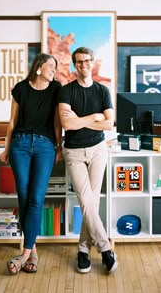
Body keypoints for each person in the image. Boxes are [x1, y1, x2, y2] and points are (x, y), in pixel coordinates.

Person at [0, 53, 62, 275]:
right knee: (24, 198)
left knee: (37, 198)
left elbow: (56, 121)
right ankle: (33, 250)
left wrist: (59, 146)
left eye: (56, 67)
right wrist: (6, 148)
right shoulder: (21, 89)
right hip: (20, 145)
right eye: (51, 66)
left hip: (45, 146)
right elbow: (12, 121)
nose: (54, 70)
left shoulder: (56, 89)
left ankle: (24, 254)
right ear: (38, 67)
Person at [58, 47, 118, 275]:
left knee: (92, 201)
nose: (83, 65)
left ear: (93, 62)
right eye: (79, 62)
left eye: (87, 61)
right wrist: (94, 117)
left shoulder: (102, 91)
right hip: (73, 152)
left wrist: (82, 120)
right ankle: (105, 248)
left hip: (97, 150)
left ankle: (83, 250)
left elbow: (109, 124)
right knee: (86, 199)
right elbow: (67, 125)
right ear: (75, 65)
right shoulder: (66, 91)